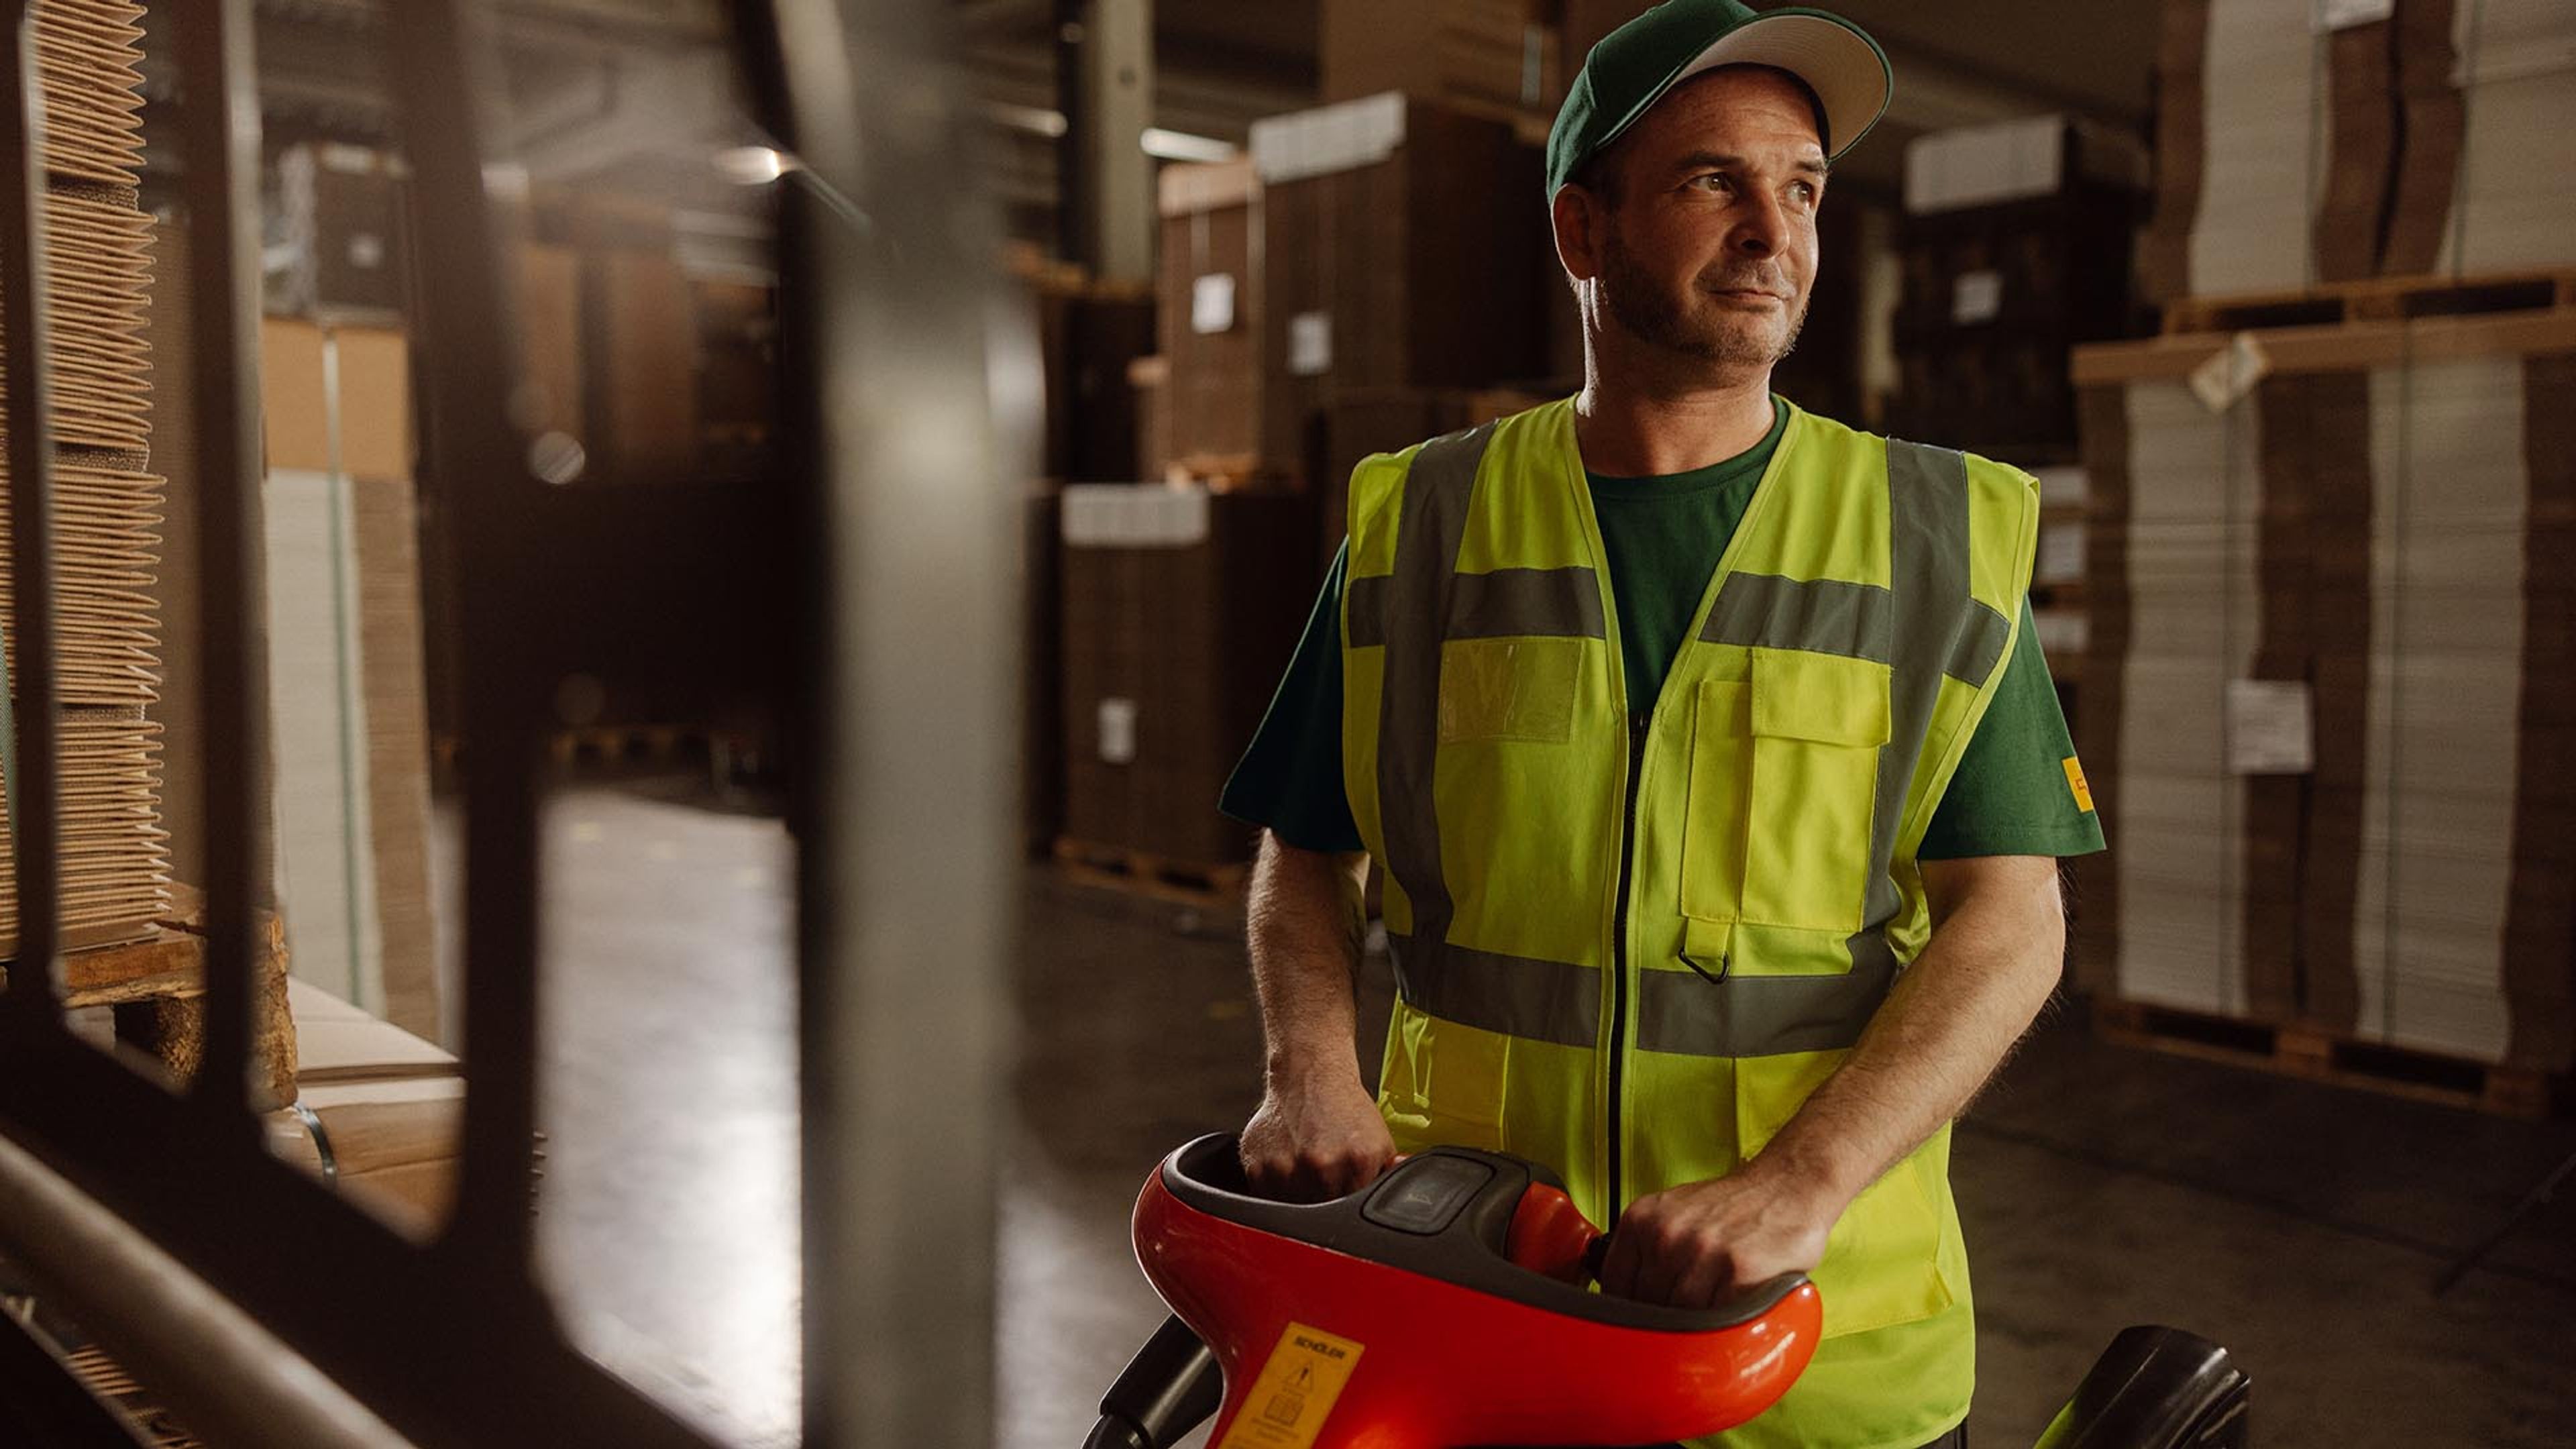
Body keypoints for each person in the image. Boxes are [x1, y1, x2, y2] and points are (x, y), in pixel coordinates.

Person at [1217, 3, 2105, 1446]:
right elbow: (1305, 849)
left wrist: (1801, 1184)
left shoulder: (1934, 535)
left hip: (1809, 1351)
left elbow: (2010, 920)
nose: (1775, 228)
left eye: (1803, 186)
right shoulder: (1420, 523)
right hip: (1481, 1296)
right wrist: (1308, 1070)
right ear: (1584, 231)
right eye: (1713, 181)